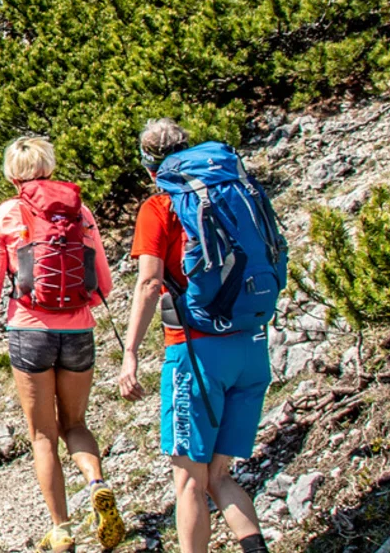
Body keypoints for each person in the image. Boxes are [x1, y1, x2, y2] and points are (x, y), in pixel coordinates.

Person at [116, 118, 284, 553]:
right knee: (219, 476)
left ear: (149, 167)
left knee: (190, 479)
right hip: (251, 346)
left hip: (196, 353)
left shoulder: (159, 207)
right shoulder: (229, 191)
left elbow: (150, 283)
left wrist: (130, 352)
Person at [0, 136, 126, 552]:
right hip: (78, 330)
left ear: (12, 175)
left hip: (29, 330)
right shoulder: (80, 211)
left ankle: (62, 530)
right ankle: (97, 484)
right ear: (49, 167)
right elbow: (103, 282)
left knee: (43, 436)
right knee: (76, 425)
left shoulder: (6, 215)